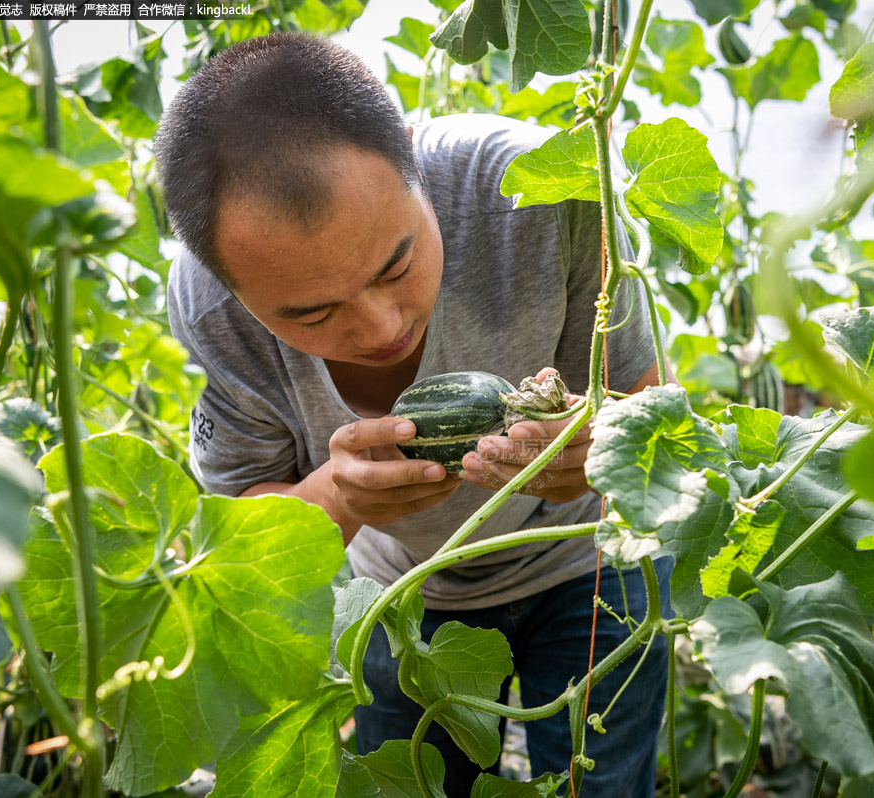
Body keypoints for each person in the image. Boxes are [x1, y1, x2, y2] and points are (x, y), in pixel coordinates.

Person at [154, 31, 672, 798]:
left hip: (587, 561)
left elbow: (647, 408)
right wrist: (335, 495)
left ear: (415, 166)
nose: (377, 327)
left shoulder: (542, 189)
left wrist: (594, 453)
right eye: (313, 313)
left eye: (396, 266)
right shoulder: (207, 309)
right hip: (400, 596)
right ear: (233, 289)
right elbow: (244, 526)